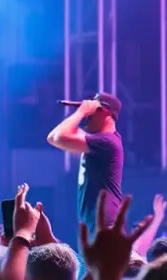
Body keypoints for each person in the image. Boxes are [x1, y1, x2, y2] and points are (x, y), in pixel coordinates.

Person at [46, 92, 124, 237]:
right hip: (95, 222)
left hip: (104, 224)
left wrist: (81, 111)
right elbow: (53, 137)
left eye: (91, 114)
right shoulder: (100, 140)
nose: (87, 118)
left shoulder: (107, 142)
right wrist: (83, 110)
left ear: (106, 112)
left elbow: (58, 137)